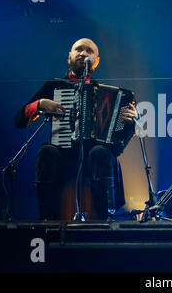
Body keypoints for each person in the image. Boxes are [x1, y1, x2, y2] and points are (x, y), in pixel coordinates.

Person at [15, 38, 137, 221]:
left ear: (96, 61)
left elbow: (122, 140)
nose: (83, 53)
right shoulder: (54, 86)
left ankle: (106, 219)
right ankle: (46, 219)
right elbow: (19, 120)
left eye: (89, 51)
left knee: (99, 152)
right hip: (63, 159)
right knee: (47, 151)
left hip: (95, 161)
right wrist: (39, 104)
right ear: (69, 57)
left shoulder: (111, 94)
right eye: (78, 49)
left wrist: (131, 121)